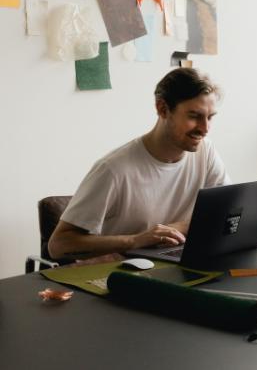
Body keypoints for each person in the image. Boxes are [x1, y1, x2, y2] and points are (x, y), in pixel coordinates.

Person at [48, 68, 230, 260]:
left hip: (169, 263)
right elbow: (58, 246)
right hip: (115, 276)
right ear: (162, 109)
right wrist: (135, 241)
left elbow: (225, 212)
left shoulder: (206, 151)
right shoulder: (113, 169)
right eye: (194, 116)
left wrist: (174, 229)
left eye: (210, 117)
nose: (205, 128)